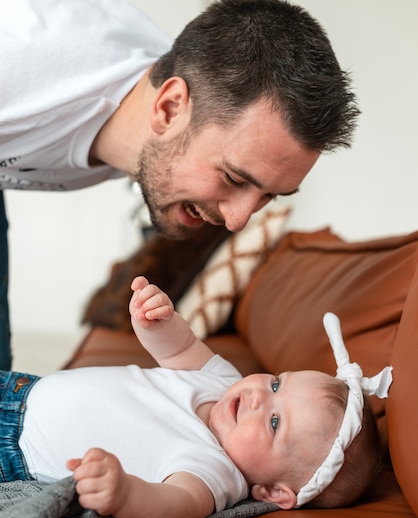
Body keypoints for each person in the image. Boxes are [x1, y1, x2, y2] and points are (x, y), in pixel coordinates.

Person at [0, 0, 360, 370]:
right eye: (234, 178)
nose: (238, 221)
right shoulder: (18, 64)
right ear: (169, 109)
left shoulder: (180, 98)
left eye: (267, 194)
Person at [0, 276, 392, 518]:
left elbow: (170, 509)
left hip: (15, 453)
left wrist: (123, 492)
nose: (258, 396)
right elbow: (181, 348)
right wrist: (158, 321)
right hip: (21, 389)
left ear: (273, 491)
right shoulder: (221, 381)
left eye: (274, 422)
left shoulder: (214, 474)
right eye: (276, 384)